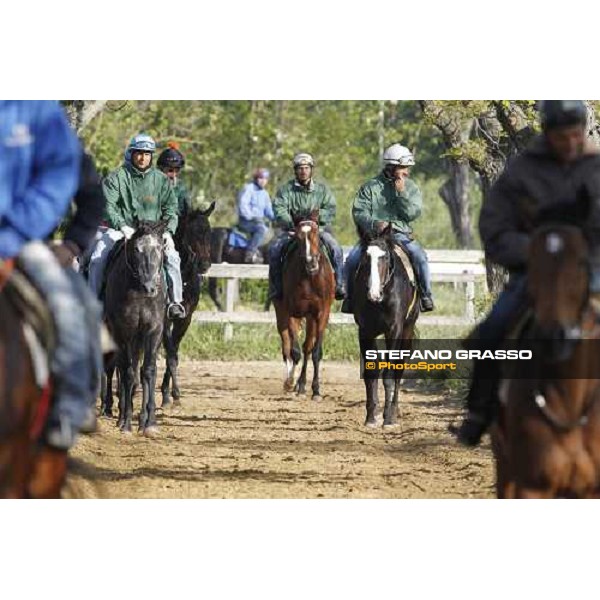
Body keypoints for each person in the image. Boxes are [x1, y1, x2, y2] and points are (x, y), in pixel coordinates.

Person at [452, 100, 600, 446]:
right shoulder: (521, 172)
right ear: (548, 135)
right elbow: (494, 227)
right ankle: (480, 412)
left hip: (591, 271)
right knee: (491, 333)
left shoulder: (596, 169)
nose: (571, 144)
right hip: (536, 274)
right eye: (563, 137)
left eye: (577, 135)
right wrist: (535, 253)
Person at [0, 100, 95, 450]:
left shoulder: (39, 112)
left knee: (70, 307)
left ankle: (70, 405)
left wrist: (13, 232)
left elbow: (54, 185)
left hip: (19, 240)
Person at [87, 133, 186, 320]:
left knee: (173, 257)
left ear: (152, 156)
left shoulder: (161, 180)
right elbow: (108, 206)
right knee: (97, 258)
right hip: (121, 231)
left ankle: (175, 302)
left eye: (147, 154)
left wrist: (168, 232)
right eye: (139, 153)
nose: (143, 158)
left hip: (154, 234)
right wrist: (122, 226)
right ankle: (93, 303)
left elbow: (171, 209)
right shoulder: (117, 177)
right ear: (131, 154)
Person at [341, 143, 434, 313]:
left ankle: (426, 296)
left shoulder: (410, 187)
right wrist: (375, 223)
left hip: (400, 235)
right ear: (391, 167)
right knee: (352, 260)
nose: (406, 171)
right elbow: (359, 212)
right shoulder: (370, 187)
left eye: (407, 167)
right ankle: (348, 298)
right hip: (373, 237)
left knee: (420, 257)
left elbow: (413, 213)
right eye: (403, 167)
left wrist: (402, 194)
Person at [268, 153, 346, 300]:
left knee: (335, 247)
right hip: (293, 230)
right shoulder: (286, 190)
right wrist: (292, 222)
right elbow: (279, 209)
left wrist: (316, 219)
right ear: (295, 171)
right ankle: (277, 287)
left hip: (317, 229)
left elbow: (330, 208)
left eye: (306, 168)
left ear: (311, 170)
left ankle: (340, 284)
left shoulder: (322, 190)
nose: (303, 171)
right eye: (300, 168)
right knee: (274, 250)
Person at [236, 168, 274, 263]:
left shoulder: (265, 194)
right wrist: (253, 217)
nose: (263, 181)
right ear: (256, 179)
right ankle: (250, 253)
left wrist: (278, 219)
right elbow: (243, 205)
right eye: (261, 178)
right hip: (246, 221)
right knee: (260, 229)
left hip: (258, 222)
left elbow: (269, 211)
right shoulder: (248, 188)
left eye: (265, 179)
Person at [157, 141, 191, 218]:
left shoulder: (181, 188)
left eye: (177, 170)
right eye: (170, 171)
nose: (174, 175)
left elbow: (186, 213)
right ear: (160, 169)